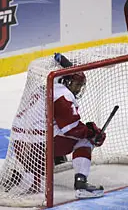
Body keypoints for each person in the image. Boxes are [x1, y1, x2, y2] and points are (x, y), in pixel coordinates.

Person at [2, 53, 106, 199]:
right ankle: (81, 185)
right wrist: (92, 133)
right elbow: (71, 129)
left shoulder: (45, 87)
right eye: (76, 85)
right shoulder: (63, 94)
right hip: (38, 146)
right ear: (66, 81)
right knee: (86, 140)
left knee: (34, 184)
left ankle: (20, 177)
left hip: (20, 146)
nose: (77, 89)